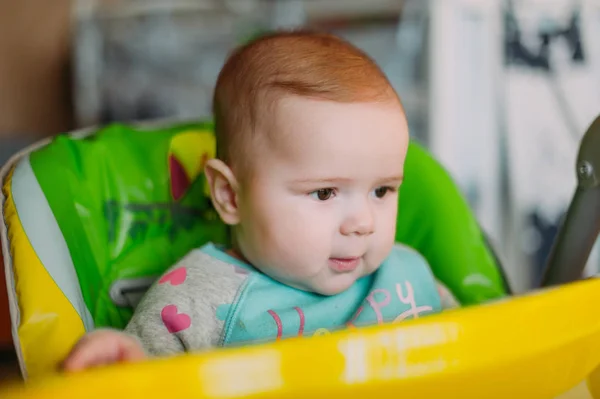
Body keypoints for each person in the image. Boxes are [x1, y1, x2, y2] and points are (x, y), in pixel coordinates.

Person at [62, 30, 458, 372]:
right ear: (230, 195)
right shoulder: (196, 300)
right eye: (324, 192)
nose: (363, 222)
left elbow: (481, 347)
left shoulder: (411, 276)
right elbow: (149, 380)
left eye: (382, 190)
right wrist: (125, 361)